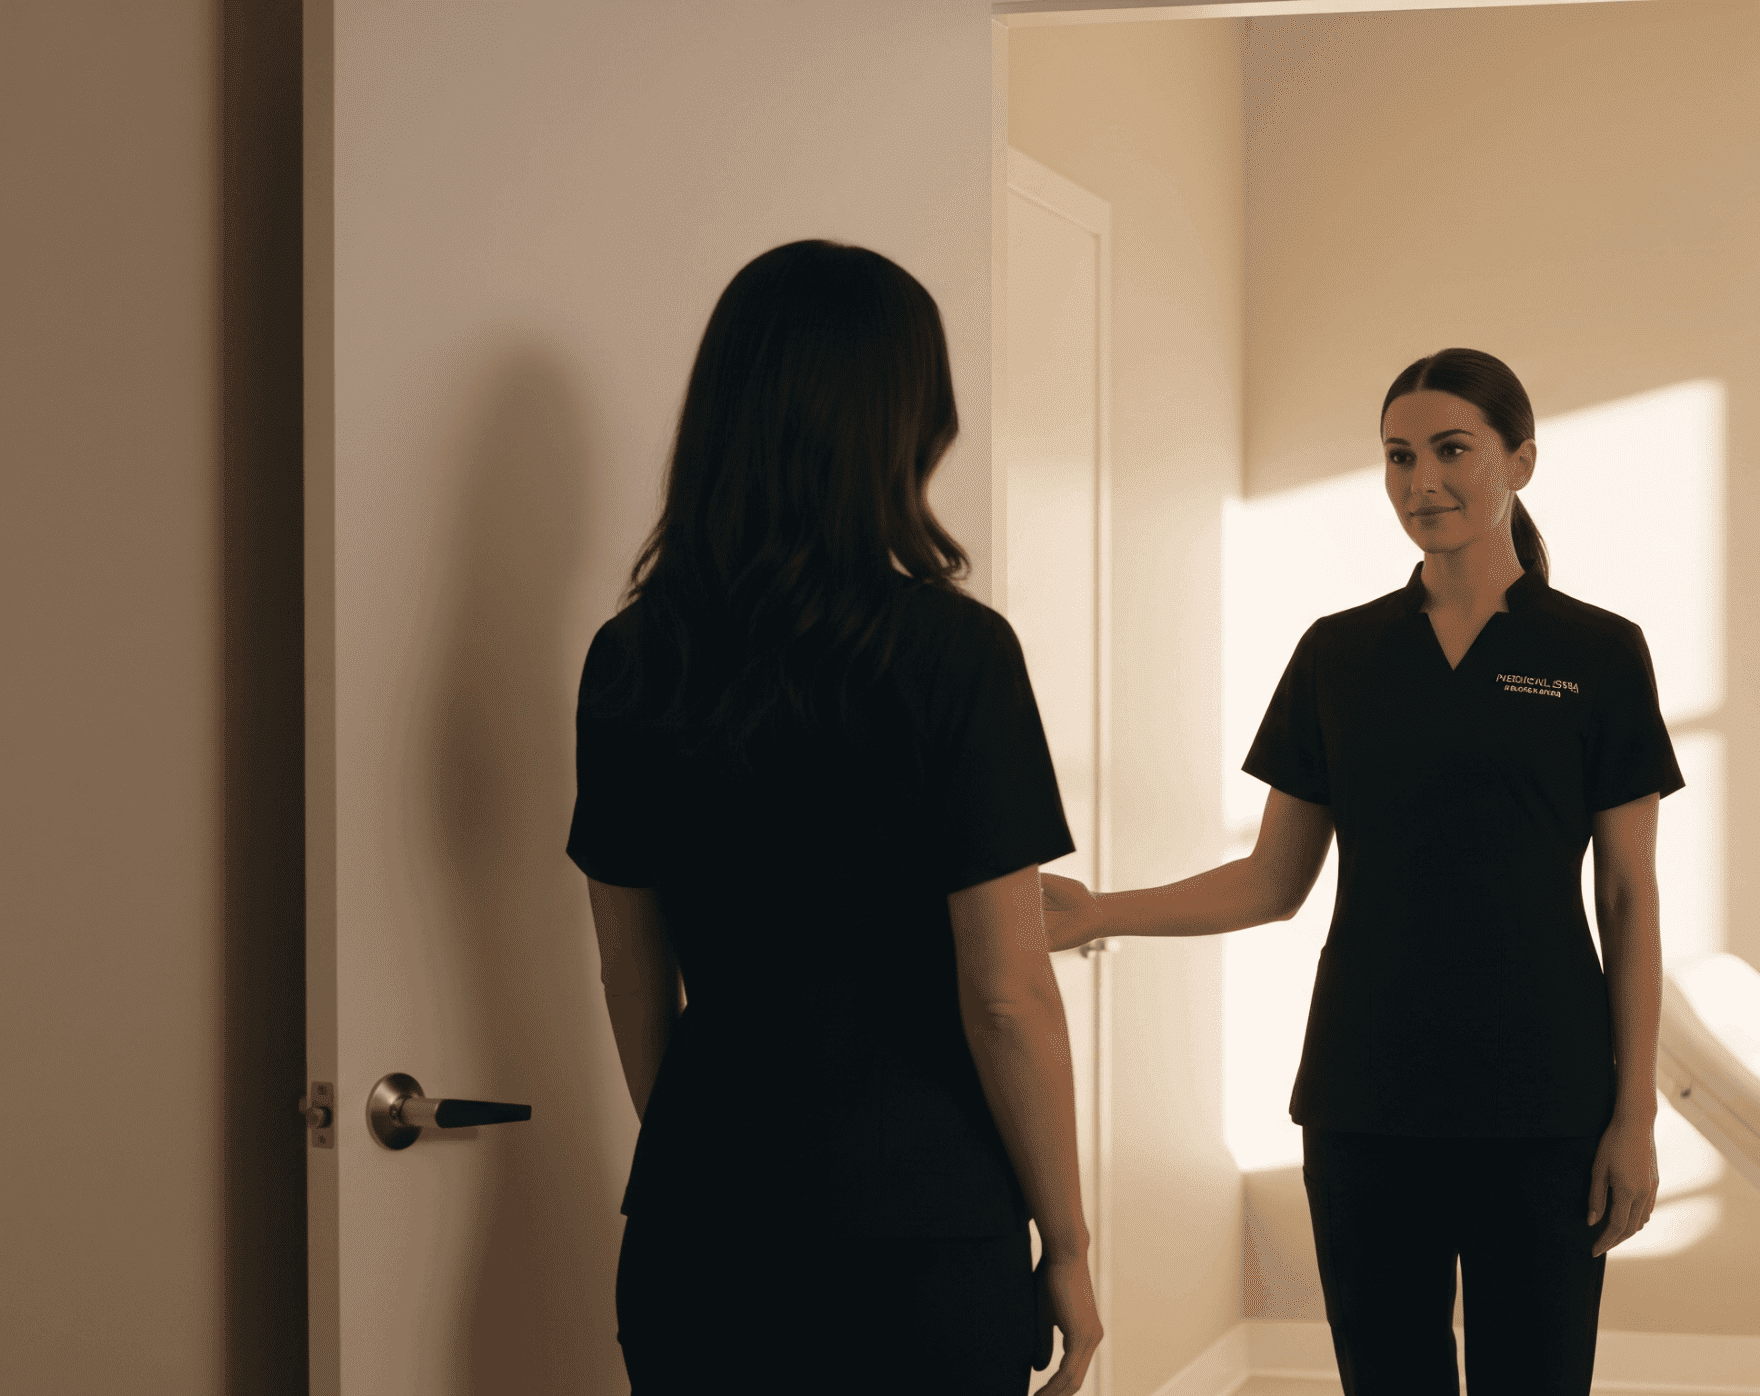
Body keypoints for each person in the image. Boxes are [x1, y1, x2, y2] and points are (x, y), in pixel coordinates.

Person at [1043, 347, 1678, 1396]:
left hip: (1548, 1104)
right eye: (1397, 456)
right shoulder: (1339, 654)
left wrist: (1634, 1113)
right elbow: (1269, 881)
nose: (1420, 481)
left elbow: (1628, 898)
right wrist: (1096, 909)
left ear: (1520, 459)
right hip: (1366, 1102)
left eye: (1450, 450)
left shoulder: (1599, 654)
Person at [568, 240, 1101, 1394]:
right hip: (919, 1232)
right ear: (901, 421)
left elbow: (629, 970)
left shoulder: (630, 659)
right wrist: (1068, 1244)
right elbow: (1006, 993)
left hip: (696, 1226)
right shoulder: (954, 653)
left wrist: (717, 1158)